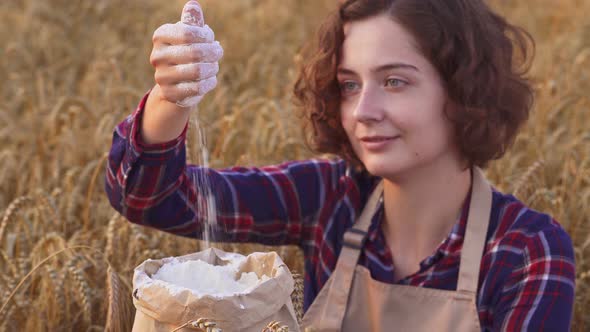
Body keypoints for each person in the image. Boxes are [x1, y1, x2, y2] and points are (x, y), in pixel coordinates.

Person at [104, 0, 576, 330]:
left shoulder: (526, 252)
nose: (363, 111)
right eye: (349, 85)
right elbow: (153, 199)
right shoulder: (331, 197)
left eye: (394, 81)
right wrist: (171, 99)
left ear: (465, 91)